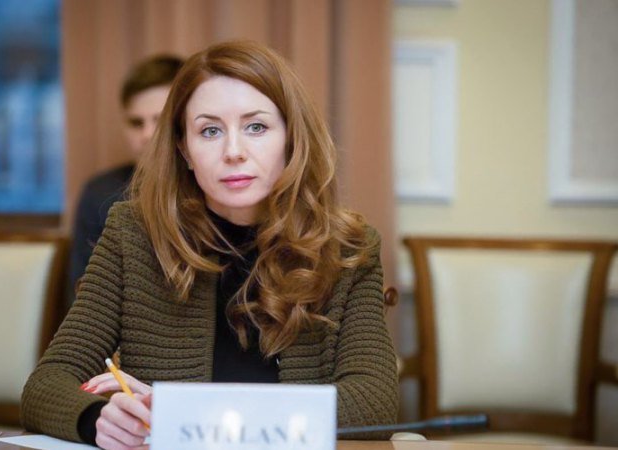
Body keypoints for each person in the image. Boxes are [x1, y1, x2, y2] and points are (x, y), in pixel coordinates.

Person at [21, 40, 398, 448]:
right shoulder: (134, 234)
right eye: (210, 131)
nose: (233, 152)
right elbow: (46, 384)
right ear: (184, 149)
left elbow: (374, 404)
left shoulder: (348, 248)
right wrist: (99, 419)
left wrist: (180, 412)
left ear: (292, 138)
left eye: (256, 127)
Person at [69, 55, 184, 295]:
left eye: (160, 119)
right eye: (136, 122)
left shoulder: (215, 189)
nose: (147, 134)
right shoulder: (99, 193)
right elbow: (82, 294)